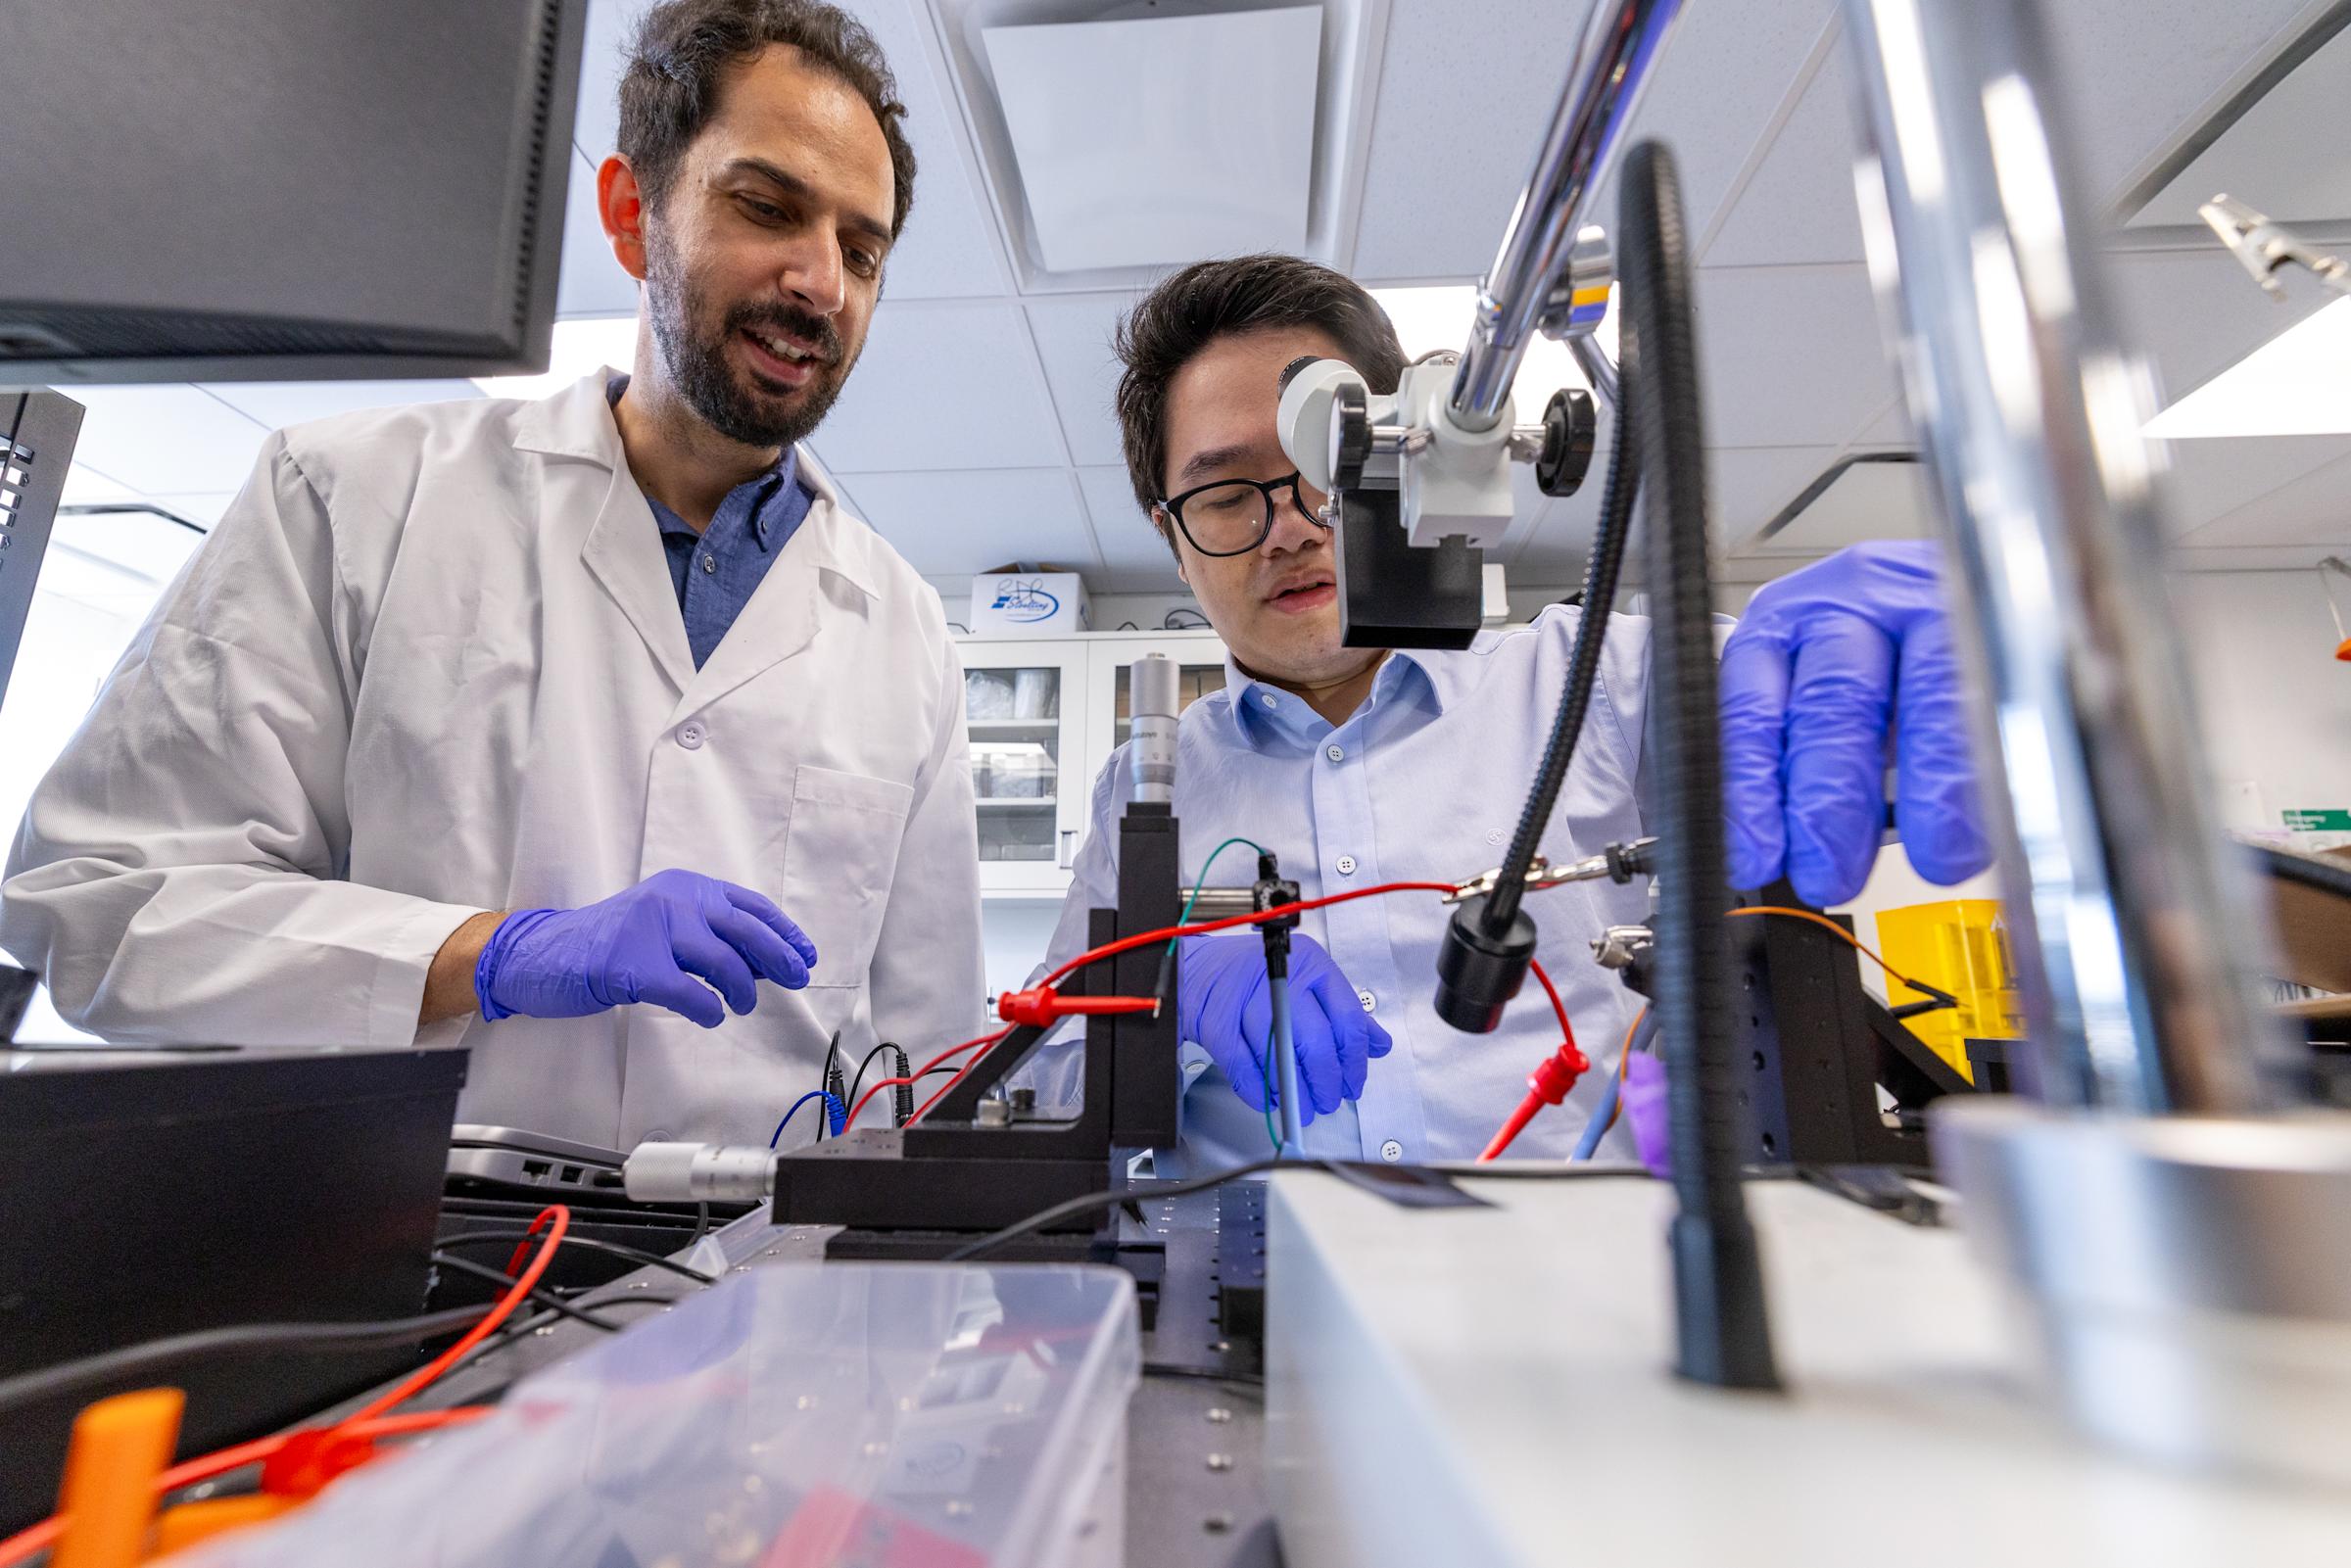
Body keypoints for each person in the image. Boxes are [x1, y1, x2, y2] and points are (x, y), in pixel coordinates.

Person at [0, 0, 983, 1149]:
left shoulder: (905, 635)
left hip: (755, 1288)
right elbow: (107, 906)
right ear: (631, 214)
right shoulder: (351, 495)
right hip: (396, 1264)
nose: (821, 281)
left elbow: (927, 1064)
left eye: (862, 251)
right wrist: (488, 955)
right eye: (766, 207)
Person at [1034, 254, 1989, 1167]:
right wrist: (1159, 999)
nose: (1292, 523)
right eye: (1226, 491)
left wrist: (1975, 636)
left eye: (1326, 463)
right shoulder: (1141, 793)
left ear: (1413, 457)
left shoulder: (1597, 681)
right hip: (1261, 1309)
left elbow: (1855, 711)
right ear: (1169, 532)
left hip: (1585, 1297)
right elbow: (1048, 1085)